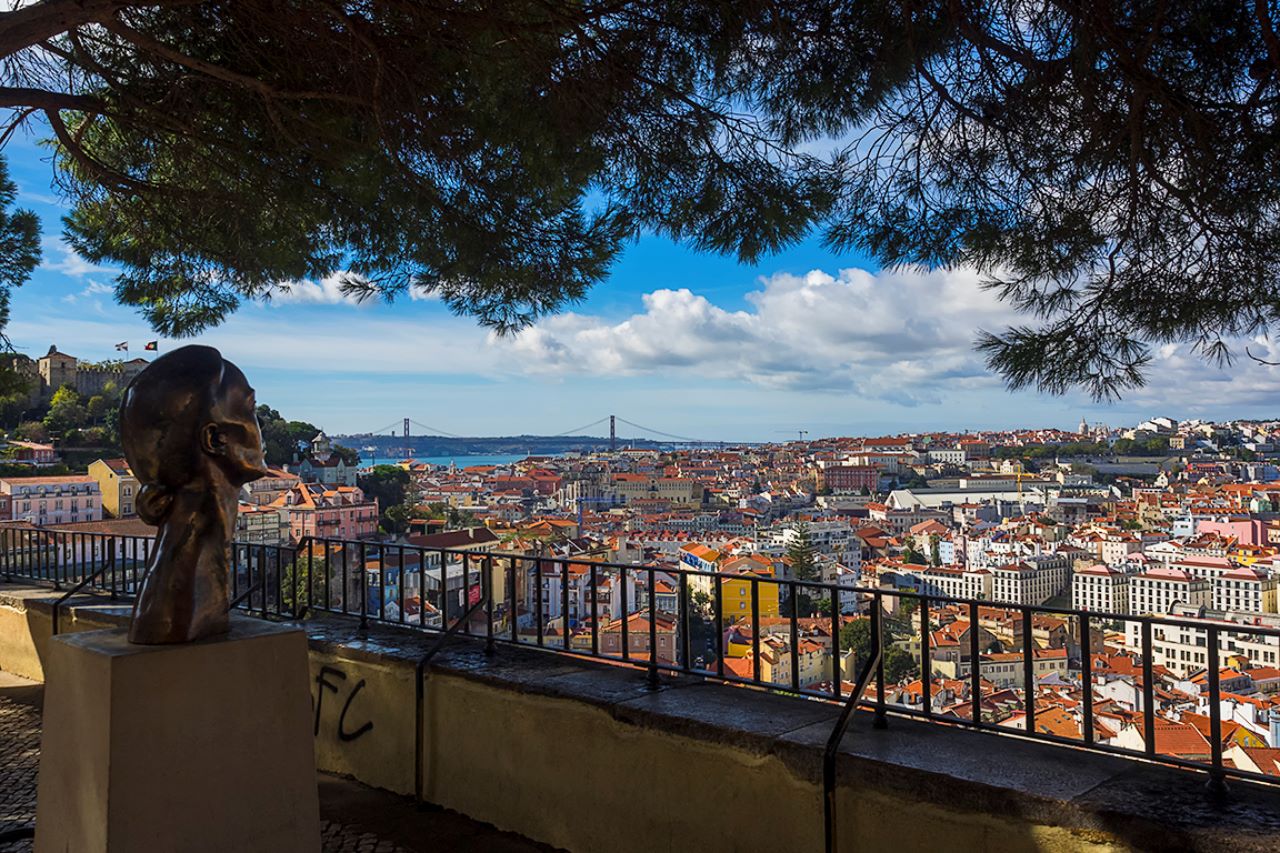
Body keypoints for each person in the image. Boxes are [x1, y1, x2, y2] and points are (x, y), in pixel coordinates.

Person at [120, 345, 270, 643]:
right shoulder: (185, 598)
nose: (261, 425)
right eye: (250, 409)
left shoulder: (183, 579)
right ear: (215, 439)